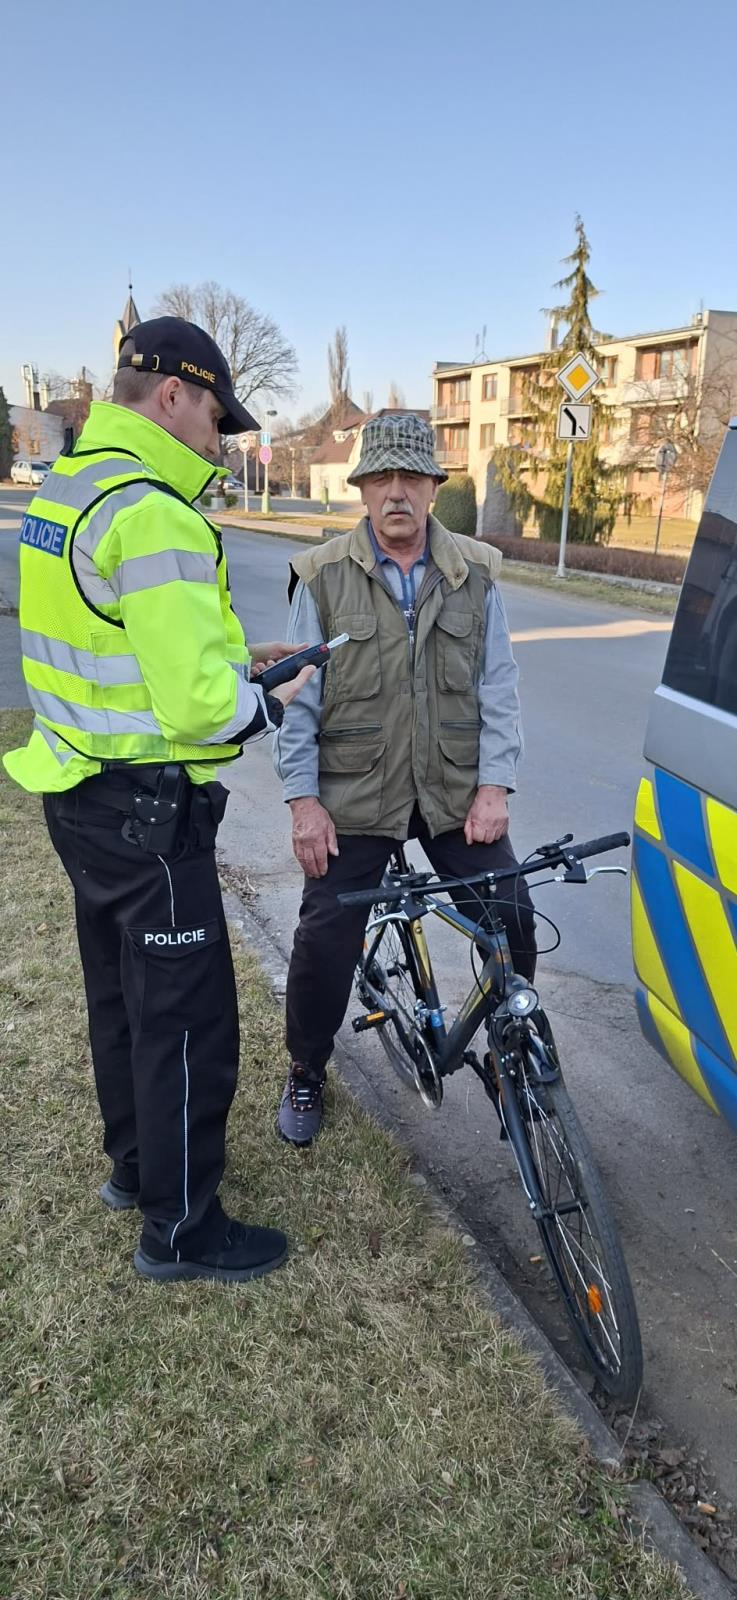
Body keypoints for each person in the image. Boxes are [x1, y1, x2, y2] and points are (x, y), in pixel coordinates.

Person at [3, 316, 314, 1283]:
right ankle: (181, 1231)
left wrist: (235, 655)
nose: (222, 439)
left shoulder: (70, 487)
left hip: (77, 793)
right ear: (174, 395)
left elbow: (123, 642)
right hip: (148, 813)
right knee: (185, 1018)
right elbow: (197, 709)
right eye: (218, 415)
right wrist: (266, 692)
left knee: (121, 999)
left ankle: (135, 1172)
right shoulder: (157, 513)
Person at [273, 412, 536, 1145]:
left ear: (430, 487)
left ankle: (510, 1051)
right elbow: (295, 705)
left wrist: (493, 788)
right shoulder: (322, 577)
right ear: (361, 490)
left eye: (409, 478)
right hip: (355, 797)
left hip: (452, 793)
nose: (395, 493)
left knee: (512, 914)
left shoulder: (475, 575)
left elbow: (499, 690)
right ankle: (304, 1068)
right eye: (380, 478)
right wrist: (304, 805)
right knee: (324, 937)